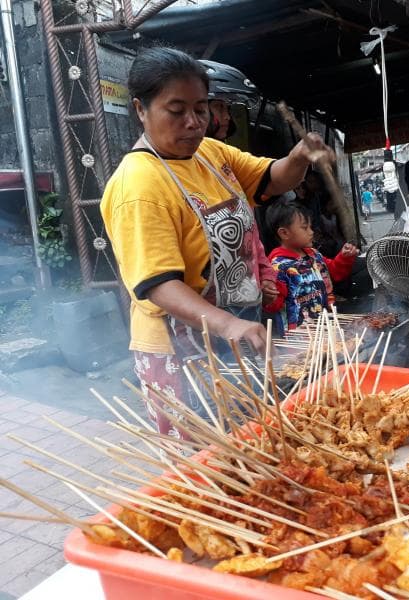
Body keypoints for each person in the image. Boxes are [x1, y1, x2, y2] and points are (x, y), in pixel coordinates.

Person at [101, 47, 335, 438]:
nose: (193, 123)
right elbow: (157, 284)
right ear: (141, 110)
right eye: (176, 111)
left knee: (253, 444)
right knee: (208, 464)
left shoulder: (209, 154)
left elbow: (270, 180)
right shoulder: (138, 183)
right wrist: (228, 324)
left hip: (233, 333)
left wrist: (299, 156)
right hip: (181, 348)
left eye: (201, 108)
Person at [201, 59, 280, 322]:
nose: (227, 118)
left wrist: (264, 276)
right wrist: (227, 325)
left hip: (241, 314)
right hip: (200, 326)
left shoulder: (221, 155)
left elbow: (249, 236)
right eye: (220, 108)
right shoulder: (152, 172)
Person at [264, 199, 358, 331]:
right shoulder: (278, 267)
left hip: (327, 327)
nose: (311, 232)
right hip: (299, 337)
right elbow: (273, 305)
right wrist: (267, 295)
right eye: (304, 228)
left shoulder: (314, 255)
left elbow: (335, 273)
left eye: (310, 226)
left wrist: (344, 257)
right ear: (284, 233)